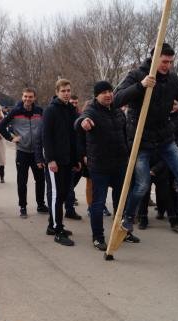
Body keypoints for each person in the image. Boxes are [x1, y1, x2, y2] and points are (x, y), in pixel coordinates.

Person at [113, 43, 178, 235]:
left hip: (165, 138)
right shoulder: (136, 74)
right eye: (164, 61)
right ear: (154, 59)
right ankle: (128, 218)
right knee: (142, 184)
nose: (167, 65)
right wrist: (140, 86)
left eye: (170, 62)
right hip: (141, 138)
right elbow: (118, 100)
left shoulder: (172, 79)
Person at [76, 81, 131, 250]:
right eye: (103, 92)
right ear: (96, 95)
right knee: (98, 202)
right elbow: (79, 121)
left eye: (109, 91)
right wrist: (83, 122)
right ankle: (98, 237)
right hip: (99, 164)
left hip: (120, 163)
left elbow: (125, 133)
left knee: (121, 200)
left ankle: (122, 232)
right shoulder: (91, 111)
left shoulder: (118, 111)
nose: (108, 95)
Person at [36, 78, 79, 246]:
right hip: (55, 162)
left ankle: (52, 225)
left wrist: (76, 159)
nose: (67, 93)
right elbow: (46, 137)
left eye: (68, 90)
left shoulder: (71, 110)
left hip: (68, 160)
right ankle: (58, 230)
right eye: (63, 91)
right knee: (56, 195)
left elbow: (73, 136)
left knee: (62, 194)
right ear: (57, 92)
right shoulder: (50, 111)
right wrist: (50, 160)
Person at [0, 88, 49, 218]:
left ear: (34, 98)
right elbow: (1, 127)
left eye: (30, 97)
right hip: (22, 151)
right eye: (25, 96)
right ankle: (23, 207)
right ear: (22, 97)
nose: (27, 99)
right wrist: (11, 138)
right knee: (22, 181)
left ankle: (41, 204)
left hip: (37, 152)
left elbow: (47, 127)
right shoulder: (15, 112)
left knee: (40, 179)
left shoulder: (39, 112)